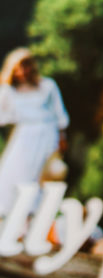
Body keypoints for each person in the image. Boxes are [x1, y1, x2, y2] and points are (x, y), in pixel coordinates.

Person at [0, 47, 69, 217]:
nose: (22, 72)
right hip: (25, 137)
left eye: (25, 66)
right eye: (17, 69)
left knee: (43, 177)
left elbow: (59, 114)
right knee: (18, 174)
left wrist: (62, 136)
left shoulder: (48, 86)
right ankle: (17, 217)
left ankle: (39, 215)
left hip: (47, 135)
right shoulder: (9, 91)